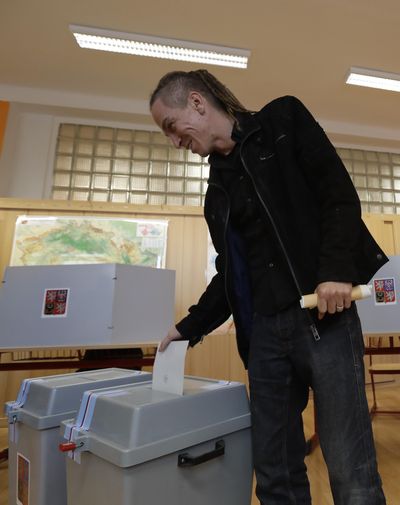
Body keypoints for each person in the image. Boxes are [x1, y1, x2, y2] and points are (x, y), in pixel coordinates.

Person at [149, 69, 388, 505]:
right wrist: (189, 327)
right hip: (264, 337)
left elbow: (339, 196)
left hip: (325, 320)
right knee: (274, 468)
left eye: (171, 126)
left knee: (349, 464)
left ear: (198, 103)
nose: (174, 140)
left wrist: (335, 271)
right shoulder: (215, 194)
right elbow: (230, 274)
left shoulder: (284, 121)